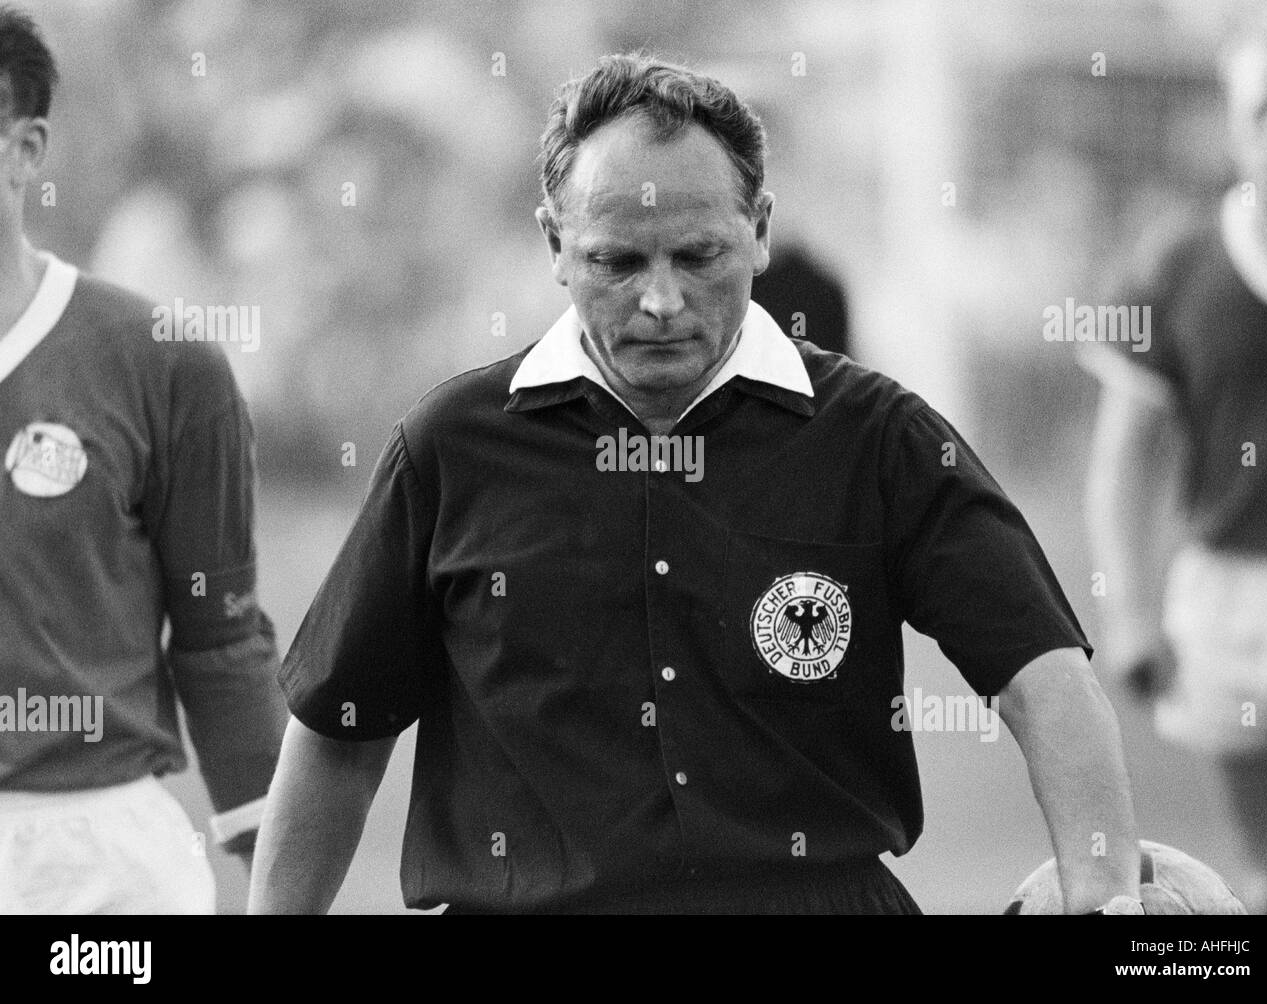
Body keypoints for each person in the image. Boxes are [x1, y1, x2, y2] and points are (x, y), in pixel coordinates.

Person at [251, 52, 1140, 915]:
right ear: (555, 244)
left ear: (759, 230)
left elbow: (1043, 677)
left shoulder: (882, 440)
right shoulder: (450, 447)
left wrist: (1106, 901)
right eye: (619, 263)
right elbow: (341, 736)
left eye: (698, 255)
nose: (663, 300)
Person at [0, 6, 285, 913]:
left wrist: (286, 885)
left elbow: (222, 643)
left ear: (25, 148)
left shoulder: (162, 364)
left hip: (93, 867)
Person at [1085, 10, 1267, 915]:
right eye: (1266, 112)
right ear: (1236, 119)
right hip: (1234, 598)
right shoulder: (1178, 264)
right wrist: (1129, 611)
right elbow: (1126, 455)